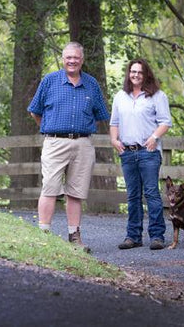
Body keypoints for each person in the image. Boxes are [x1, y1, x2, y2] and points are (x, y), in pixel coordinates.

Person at [28, 42, 110, 253]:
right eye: (68, 58)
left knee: (76, 192)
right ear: (63, 59)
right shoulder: (50, 81)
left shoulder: (92, 84)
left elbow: (101, 115)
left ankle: (74, 237)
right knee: (50, 188)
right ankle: (43, 235)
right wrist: (50, 129)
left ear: (81, 60)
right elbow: (35, 111)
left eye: (76, 58)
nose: (72, 61)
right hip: (55, 142)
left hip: (83, 144)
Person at [109, 58, 172, 250]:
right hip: (127, 153)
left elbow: (165, 122)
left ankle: (157, 236)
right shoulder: (121, 96)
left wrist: (154, 137)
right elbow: (114, 122)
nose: (135, 75)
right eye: (132, 71)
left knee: (152, 193)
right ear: (129, 74)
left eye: (140, 72)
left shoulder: (157, 96)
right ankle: (133, 236)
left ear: (146, 75)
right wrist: (114, 140)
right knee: (133, 196)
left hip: (149, 152)